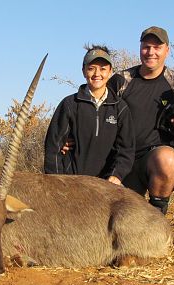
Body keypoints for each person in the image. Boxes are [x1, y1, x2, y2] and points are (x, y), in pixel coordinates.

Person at [106, 26, 174, 214]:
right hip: (120, 161)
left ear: (167, 50)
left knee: (168, 159)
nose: (151, 52)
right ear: (140, 48)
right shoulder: (121, 81)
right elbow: (95, 113)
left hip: (151, 161)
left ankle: (158, 218)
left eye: (157, 47)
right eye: (146, 47)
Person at [44, 45, 135, 185]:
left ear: (110, 71)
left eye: (103, 69)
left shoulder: (120, 108)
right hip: (70, 184)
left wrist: (116, 176)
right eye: (91, 68)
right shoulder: (69, 104)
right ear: (83, 71)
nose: (97, 74)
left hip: (106, 186)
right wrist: (57, 183)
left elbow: (126, 150)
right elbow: (53, 147)